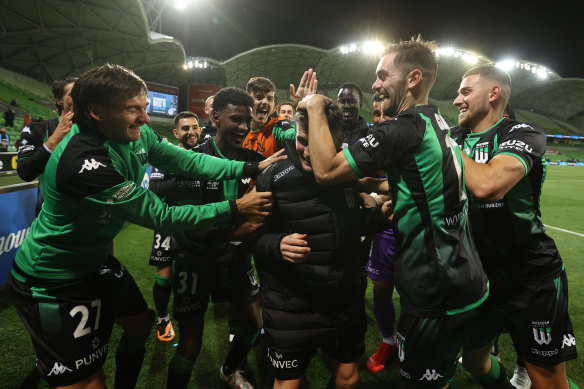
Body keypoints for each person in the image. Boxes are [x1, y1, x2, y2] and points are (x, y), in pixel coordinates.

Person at [7, 64, 279, 389]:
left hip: (95, 262)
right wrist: (237, 206)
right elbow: (162, 216)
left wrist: (251, 166)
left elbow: (186, 160)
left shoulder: (135, 133)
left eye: (145, 107)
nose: (146, 118)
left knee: (141, 323)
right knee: (88, 381)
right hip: (54, 278)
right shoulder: (82, 161)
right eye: (133, 109)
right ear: (95, 112)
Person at [300, 36, 489, 389]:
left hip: (434, 290)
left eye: (383, 75)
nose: (375, 84)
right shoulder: (439, 123)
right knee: (471, 368)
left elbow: (326, 171)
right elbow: (427, 187)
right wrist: (391, 194)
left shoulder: (402, 127)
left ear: (412, 78)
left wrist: (312, 106)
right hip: (470, 279)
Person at [451, 65, 579, 389]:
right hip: (481, 278)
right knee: (475, 361)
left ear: (493, 94)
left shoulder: (523, 133)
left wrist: (441, 146)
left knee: (548, 379)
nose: (456, 100)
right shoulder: (456, 138)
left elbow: (489, 185)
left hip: (530, 278)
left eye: (466, 91)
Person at [253, 98, 392, 389]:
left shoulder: (348, 176)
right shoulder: (273, 176)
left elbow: (352, 226)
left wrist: (378, 217)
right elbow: (251, 238)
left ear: (338, 140)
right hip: (290, 304)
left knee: (348, 379)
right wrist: (276, 244)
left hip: (343, 301)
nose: (307, 149)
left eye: (315, 141)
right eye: (302, 140)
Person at [164, 87, 268, 389]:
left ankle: (230, 368)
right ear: (214, 117)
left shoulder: (254, 160)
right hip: (194, 258)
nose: (243, 127)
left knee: (252, 325)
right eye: (236, 119)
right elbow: (192, 226)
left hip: (234, 257)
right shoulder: (191, 160)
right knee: (191, 344)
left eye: (247, 121)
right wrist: (240, 229)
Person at [148, 111, 202, 343]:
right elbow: (154, 190)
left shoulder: (205, 154)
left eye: (194, 127)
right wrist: (182, 174)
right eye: (185, 128)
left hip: (198, 225)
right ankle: (162, 316)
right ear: (175, 133)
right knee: (165, 276)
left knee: (194, 274)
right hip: (169, 224)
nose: (191, 132)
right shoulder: (166, 156)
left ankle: (189, 318)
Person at [364, 93, 398, 374]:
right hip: (384, 227)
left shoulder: (415, 137)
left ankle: (413, 343)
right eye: (376, 113)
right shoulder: (369, 144)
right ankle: (389, 342)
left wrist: (373, 187)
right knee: (381, 287)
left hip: (415, 227)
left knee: (415, 292)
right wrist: (369, 193)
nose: (381, 118)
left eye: (386, 113)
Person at [16, 76, 77, 214]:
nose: (80, 96)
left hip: (90, 223)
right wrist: (55, 137)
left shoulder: (95, 130)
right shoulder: (36, 129)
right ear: (59, 99)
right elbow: (25, 172)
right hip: (51, 222)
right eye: (74, 93)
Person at [242, 71, 316, 158]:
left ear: (274, 106)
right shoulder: (240, 129)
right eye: (259, 97)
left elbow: (293, 137)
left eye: (270, 99)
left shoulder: (278, 126)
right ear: (247, 101)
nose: (265, 102)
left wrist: (303, 110)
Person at [337, 82, 369, 148]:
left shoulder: (369, 136)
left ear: (360, 105)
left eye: (352, 102)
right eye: (342, 102)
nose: (346, 106)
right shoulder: (329, 131)